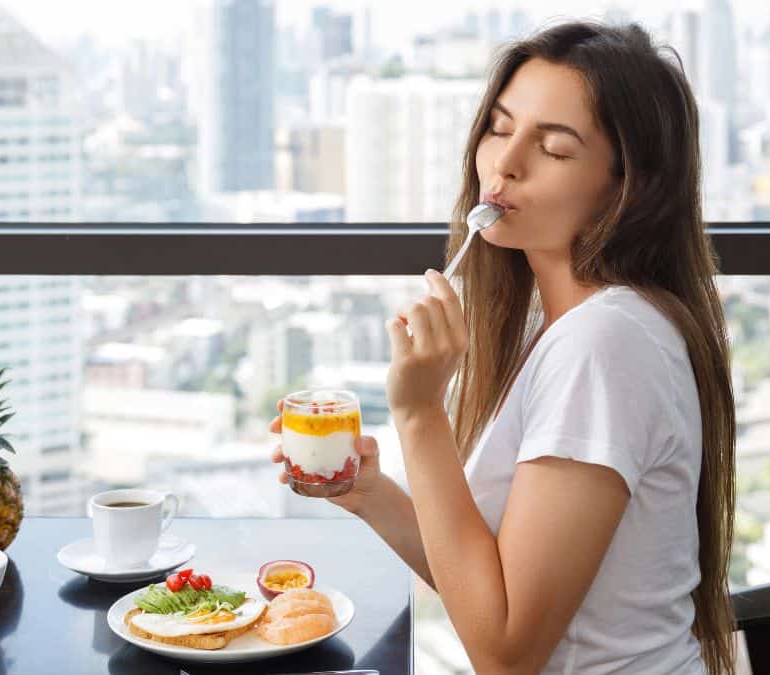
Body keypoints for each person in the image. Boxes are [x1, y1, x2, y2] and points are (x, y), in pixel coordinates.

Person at [271, 21, 737, 674]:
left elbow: (507, 650)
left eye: (553, 147)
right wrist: (369, 490)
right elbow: (485, 582)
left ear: (628, 186)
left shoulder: (605, 344)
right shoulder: (547, 327)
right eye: (498, 126)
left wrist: (420, 415)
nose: (505, 162)